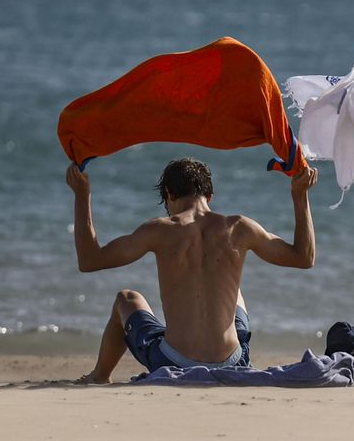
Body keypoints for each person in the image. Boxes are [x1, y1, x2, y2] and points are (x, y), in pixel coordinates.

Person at [66, 157, 318, 383]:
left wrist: (82, 194)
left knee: (127, 299)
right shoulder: (240, 227)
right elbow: (304, 257)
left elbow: (90, 260)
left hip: (174, 361)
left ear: (169, 195)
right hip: (233, 362)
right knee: (235, 292)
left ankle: (99, 375)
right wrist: (300, 195)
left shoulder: (160, 230)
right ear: (210, 196)